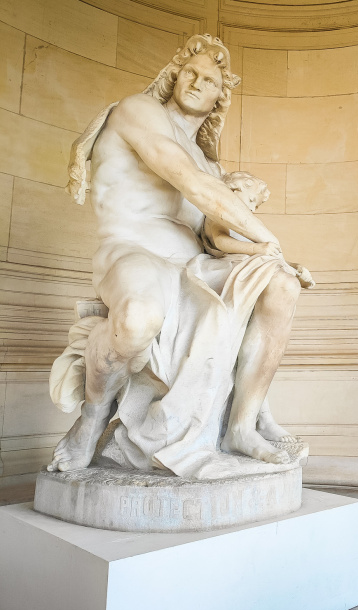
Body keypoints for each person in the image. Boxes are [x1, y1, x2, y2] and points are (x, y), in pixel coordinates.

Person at [47, 35, 308, 479]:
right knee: (138, 318)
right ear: (174, 75)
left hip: (194, 269)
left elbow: (216, 237)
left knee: (279, 283)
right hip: (133, 252)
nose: (195, 81)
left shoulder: (211, 166)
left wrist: (266, 255)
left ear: (219, 98)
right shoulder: (139, 112)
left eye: (208, 80)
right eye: (190, 72)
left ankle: (242, 427)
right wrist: (271, 239)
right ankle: (91, 419)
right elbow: (185, 179)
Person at [203, 171, 315, 290]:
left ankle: (293, 274)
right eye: (251, 200)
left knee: (282, 277)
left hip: (245, 263)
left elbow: (266, 252)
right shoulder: (219, 212)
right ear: (235, 190)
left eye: (256, 206)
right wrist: (257, 249)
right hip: (227, 266)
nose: (252, 209)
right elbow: (220, 240)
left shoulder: (243, 225)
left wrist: (293, 266)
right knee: (278, 279)